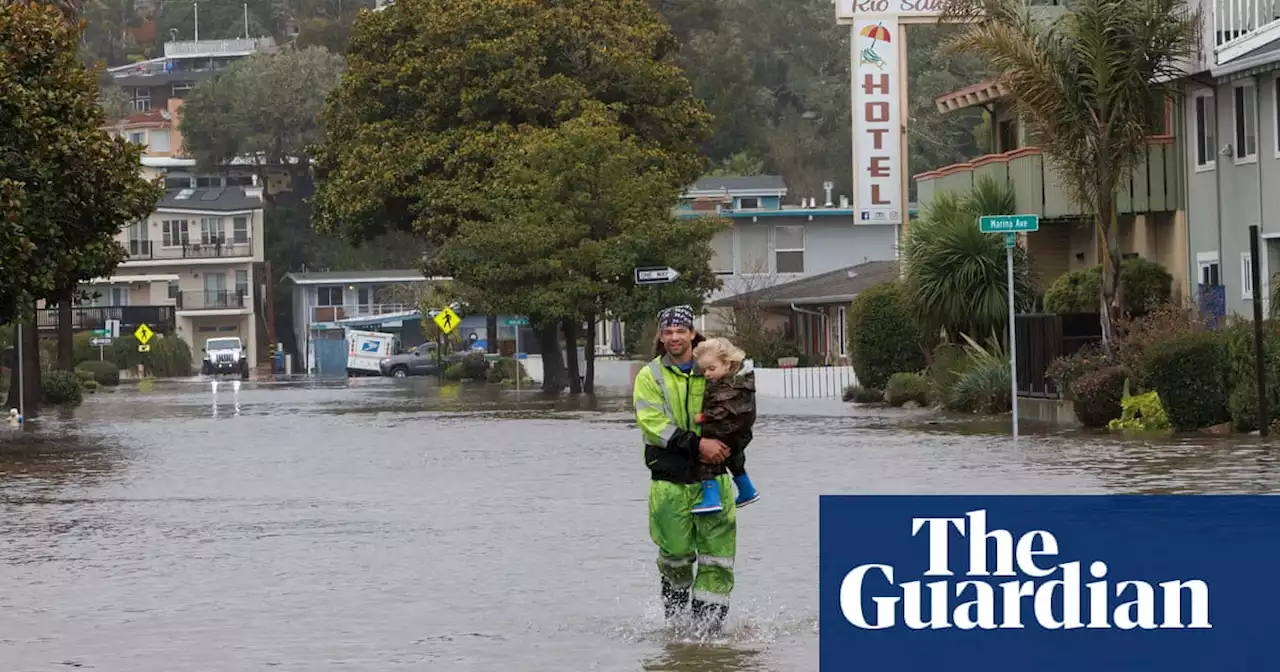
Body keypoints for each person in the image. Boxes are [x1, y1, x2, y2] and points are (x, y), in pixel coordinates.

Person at [632, 305, 736, 633]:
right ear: (660, 337)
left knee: (717, 560)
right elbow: (652, 426)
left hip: (714, 479)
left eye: (681, 331)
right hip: (670, 481)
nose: (674, 337)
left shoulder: (714, 369)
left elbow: (737, 410)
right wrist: (698, 444)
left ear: (692, 333)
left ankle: (708, 635)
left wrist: (732, 445)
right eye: (668, 332)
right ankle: (677, 627)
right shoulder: (650, 376)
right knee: (675, 554)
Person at [689, 337, 758, 514]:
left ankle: (712, 499)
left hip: (725, 431)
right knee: (734, 459)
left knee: (706, 460)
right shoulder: (741, 380)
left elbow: (725, 409)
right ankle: (747, 490)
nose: (707, 374)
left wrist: (704, 417)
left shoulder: (731, 385)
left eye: (712, 369)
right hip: (738, 433)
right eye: (704, 370)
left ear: (727, 364)